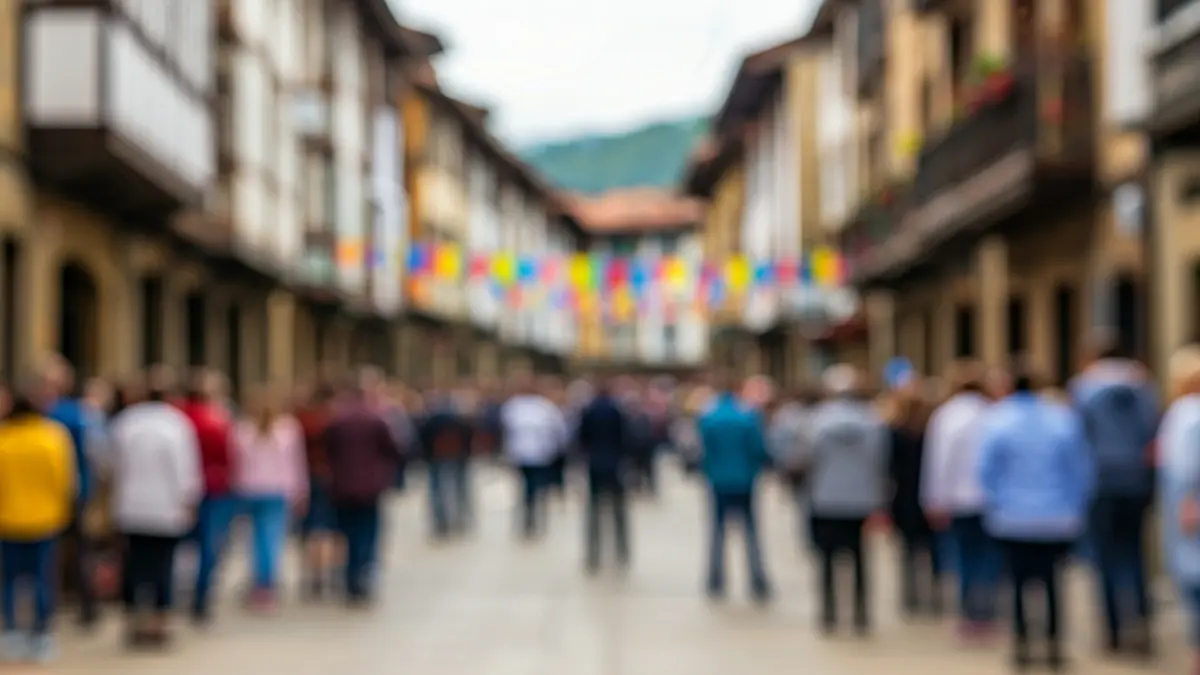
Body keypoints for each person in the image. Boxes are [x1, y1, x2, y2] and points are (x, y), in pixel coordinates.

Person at [978, 363, 1093, 671]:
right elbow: (1079, 469)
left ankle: (1022, 644)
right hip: (1056, 518)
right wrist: (1076, 507)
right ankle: (1054, 644)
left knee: (1017, 583)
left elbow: (986, 470)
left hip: (1012, 518)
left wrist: (996, 502)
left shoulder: (998, 419)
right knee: (1053, 582)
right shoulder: (1062, 419)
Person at [1071, 339, 1159, 655]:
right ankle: (1141, 622)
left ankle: (1112, 630)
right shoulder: (1143, 387)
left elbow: (1078, 436)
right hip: (1136, 480)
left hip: (1100, 481)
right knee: (1135, 553)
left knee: (1104, 556)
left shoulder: (1084, 388)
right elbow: (1153, 431)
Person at [109, 374, 201, 647]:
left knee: (134, 564)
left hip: (130, 505)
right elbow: (184, 468)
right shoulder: (176, 424)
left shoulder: (126, 422)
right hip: (165, 507)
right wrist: (189, 498)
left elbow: (111, 464)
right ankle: (159, 621)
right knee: (163, 565)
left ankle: (133, 619)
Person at [803, 365, 888, 634]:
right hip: (860, 499)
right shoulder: (871, 420)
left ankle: (829, 613)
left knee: (827, 560)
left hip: (826, 498)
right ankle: (861, 614)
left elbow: (808, 457)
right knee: (860, 559)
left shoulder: (818, 420)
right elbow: (879, 461)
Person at [0, 371, 77, 663]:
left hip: (8, 520)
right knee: (43, 579)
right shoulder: (54, 437)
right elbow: (65, 480)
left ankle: (11, 633)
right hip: (45, 520)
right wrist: (64, 512)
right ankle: (42, 633)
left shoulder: (4, 439)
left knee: (10, 580)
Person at [923, 361, 999, 639]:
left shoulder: (946, 415)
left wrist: (934, 498)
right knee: (989, 557)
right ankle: (987, 610)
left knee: (963, 557)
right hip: (990, 500)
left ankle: (969, 612)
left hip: (958, 499)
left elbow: (939, 461)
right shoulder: (993, 413)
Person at [325, 373, 404, 604]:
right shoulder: (375, 421)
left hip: (342, 486)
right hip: (370, 487)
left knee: (348, 534)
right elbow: (394, 450)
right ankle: (363, 576)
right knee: (367, 533)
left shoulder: (338, 421)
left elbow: (329, 450)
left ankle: (350, 579)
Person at [231, 386, 308, 611]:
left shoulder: (243, 429)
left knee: (254, 538)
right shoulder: (288, 428)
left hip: (250, 489)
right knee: (272, 538)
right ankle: (267, 583)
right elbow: (296, 464)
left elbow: (237, 463)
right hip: (277, 490)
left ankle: (259, 581)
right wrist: (301, 491)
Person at [698, 373, 771, 604]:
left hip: (718, 481)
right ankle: (757, 580)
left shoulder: (709, 417)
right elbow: (758, 449)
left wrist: (711, 470)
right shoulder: (748, 416)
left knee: (717, 532)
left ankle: (715, 580)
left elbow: (703, 449)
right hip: (744, 480)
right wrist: (754, 470)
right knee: (750, 532)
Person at [44, 355, 99, 628]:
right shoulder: (74, 412)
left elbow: (93, 451)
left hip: (69, 491)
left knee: (73, 550)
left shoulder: (72, 412)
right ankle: (54, 604)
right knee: (60, 550)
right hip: (49, 493)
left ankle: (80, 603)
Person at [181, 369, 237, 623]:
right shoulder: (215, 421)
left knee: (185, 544)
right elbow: (229, 456)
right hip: (214, 488)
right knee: (209, 544)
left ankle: (180, 592)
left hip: (187, 489)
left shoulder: (180, 417)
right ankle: (201, 596)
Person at [1158, 345, 1200, 675]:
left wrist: (1187, 503)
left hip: (1190, 506)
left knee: (1192, 580)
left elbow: (1184, 465)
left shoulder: (1186, 413)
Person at [884, 381, 941, 616]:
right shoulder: (932, 432)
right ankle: (935, 596)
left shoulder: (894, 433)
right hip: (930, 495)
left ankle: (910, 597)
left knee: (908, 551)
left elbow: (888, 469)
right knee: (932, 550)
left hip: (904, 497)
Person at [501, 372, 568, 539]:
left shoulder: (530, 407)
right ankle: (530, 522)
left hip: (536, 456)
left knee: (532, 490)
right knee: (531, 490)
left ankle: (532, 521)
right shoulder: (520, 406)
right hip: (529, 456)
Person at [576, 376, 630, 573]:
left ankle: (593, 555)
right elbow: (625, 437)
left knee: (594, 512)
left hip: (595, 465)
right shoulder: (617, 410)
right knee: (618, 512)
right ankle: (622, 552)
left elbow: (581, 438)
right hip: (615, 465)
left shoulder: (589, 410)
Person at [294, 382, 338, 599]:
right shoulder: (333, 420)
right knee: (327, 529)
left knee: (309, 529)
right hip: (329, 478)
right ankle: (326, 573)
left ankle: (311, 574)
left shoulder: (302, 420)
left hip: (305, 477)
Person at [418, 387, 476, 538]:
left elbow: (422, 436)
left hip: (436, 457)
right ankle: (461, 519)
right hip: (458, 456)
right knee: (460, 488)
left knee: (437, 489)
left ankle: (441, 522)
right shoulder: (459, 418)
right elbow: (469, 434)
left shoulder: (431, 419)